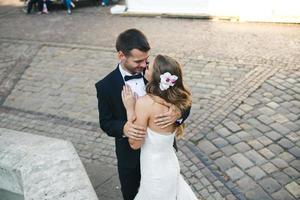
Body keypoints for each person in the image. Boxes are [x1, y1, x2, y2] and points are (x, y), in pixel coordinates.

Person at [95, 29, 191, 200]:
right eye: (138, 61)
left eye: (146, 60)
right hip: (129, 158)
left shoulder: (156, 75)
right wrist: (124, 128)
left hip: (159, 159)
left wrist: (178, 114)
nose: (143, 65)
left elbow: (183, 99)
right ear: (121, 56)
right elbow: (106, 122)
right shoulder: (105, 86)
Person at [121, 54, 197, 199]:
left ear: (155, 76)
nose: (145, 66)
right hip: (170, 166)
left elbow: (135, 144)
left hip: (154, 172)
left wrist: (130, 109)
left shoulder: (145, 103)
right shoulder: (177, 101)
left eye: (148, 66)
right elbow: (187, 104)